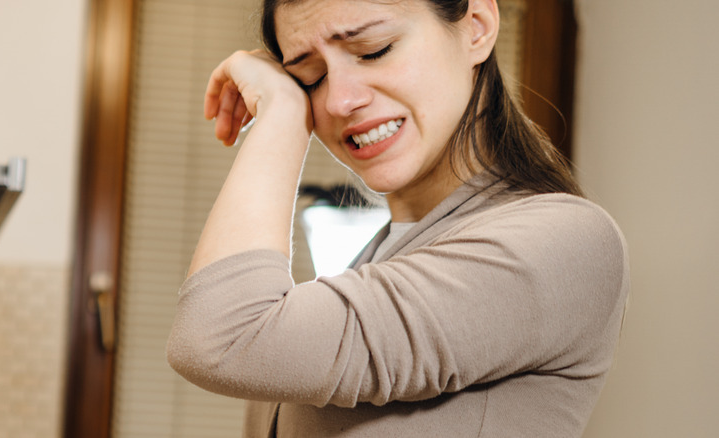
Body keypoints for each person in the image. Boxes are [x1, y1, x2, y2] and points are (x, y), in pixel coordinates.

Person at [167, 0, 629, 436]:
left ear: (477, 27)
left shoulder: (564, 242)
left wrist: (283, 112)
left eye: (374, 51)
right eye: (309, 78)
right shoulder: (381, 256)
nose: (337, 101)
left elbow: (220, 337)